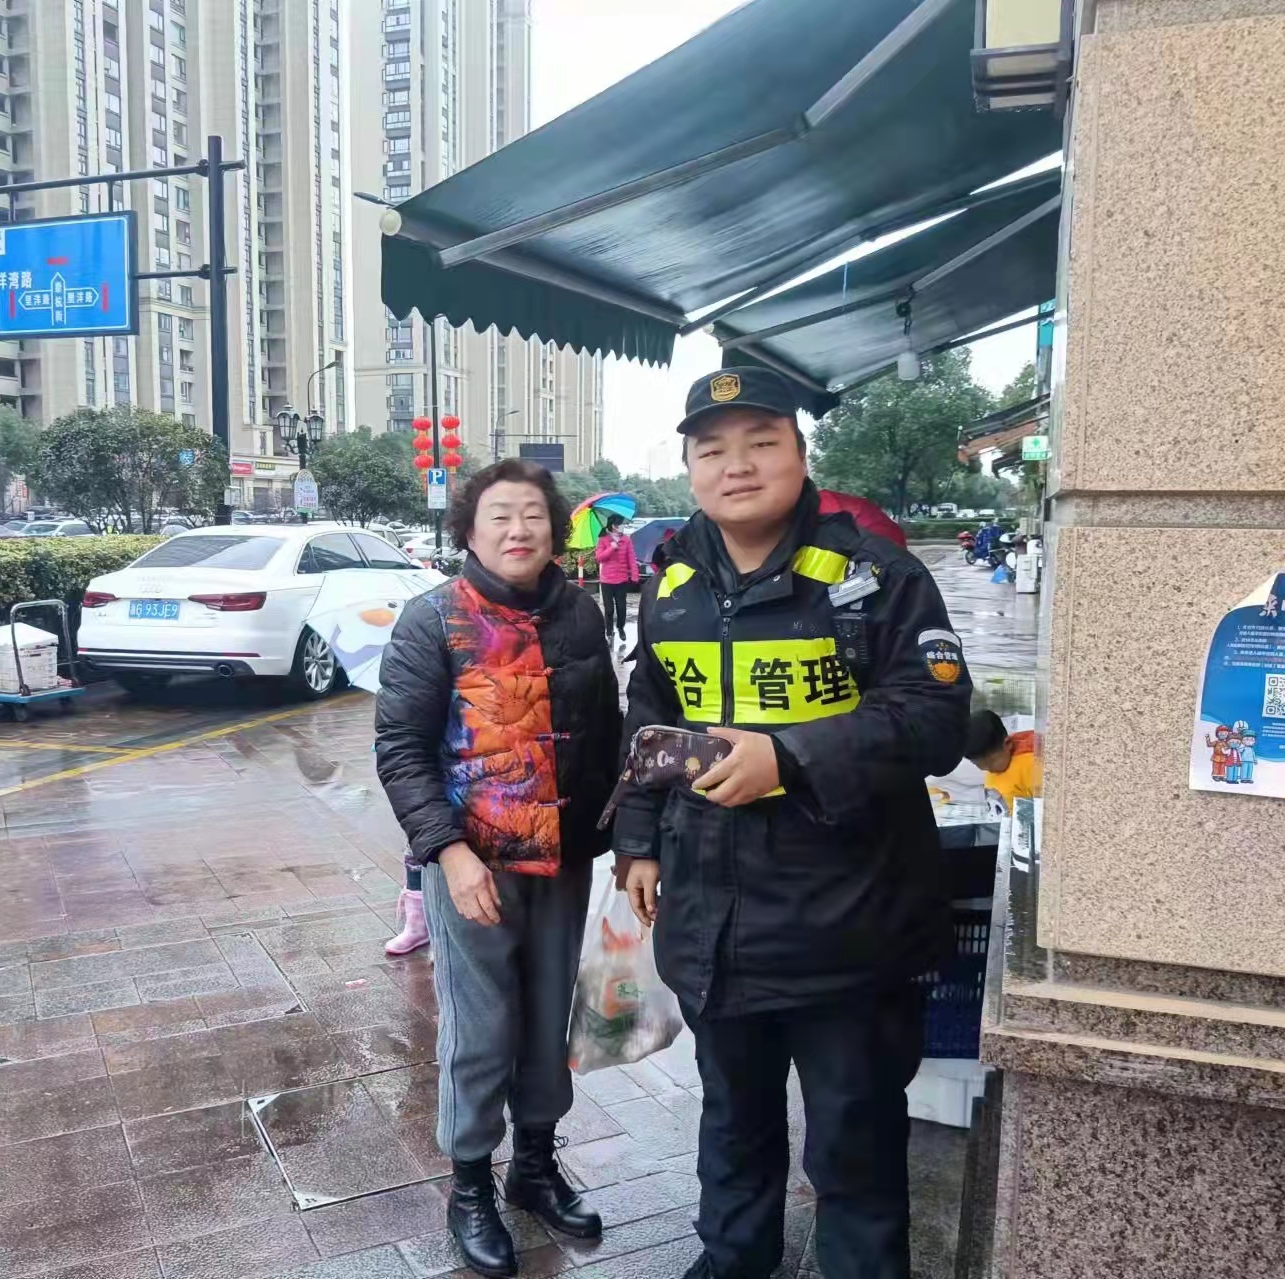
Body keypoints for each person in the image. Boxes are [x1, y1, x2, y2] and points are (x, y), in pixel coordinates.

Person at [611, 366, 971, 1279]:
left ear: (802, 454)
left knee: (853, 1139)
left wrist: (792, 756)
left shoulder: (875, 575)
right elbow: (651, 721)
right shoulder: (671, 580)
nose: (736, 466)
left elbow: (935, 719)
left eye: (761, 443)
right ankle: (732, 1259)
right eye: (712, 450)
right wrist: (639, 841)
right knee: (733, 1121)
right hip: (712, 921)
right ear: (690, 469)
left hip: (847, 925)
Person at [375, 458, 622, 1279]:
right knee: (480, 1028)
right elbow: (400, 749)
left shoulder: (580, 614)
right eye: (500, 516)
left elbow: (608, 732)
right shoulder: (434, 618)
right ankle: (472, 1185)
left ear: (555, 528)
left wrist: (624, 836)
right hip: (473, 863)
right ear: (469, 532)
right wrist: (447, 851)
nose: (519, 530)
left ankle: (536, 1166)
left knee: (550, 1017)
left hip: (564, 857)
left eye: (533, 515)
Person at [964, 710, 1041, 813]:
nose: (988, 769)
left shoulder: (1031, 765)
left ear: (1007, 744)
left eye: (992, 762)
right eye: (978, 764)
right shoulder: (998, 766)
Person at [594, 513, 640, 646]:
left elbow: (631, 558)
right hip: (607, 580)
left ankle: (620, 627)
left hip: (622, 579)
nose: (622, 526)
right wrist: (611, 548)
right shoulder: (603, 539)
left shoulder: (626, 540)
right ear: (613, 526)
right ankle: (609, 631)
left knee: (622, 607)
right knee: (609, 609)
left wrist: (635, 574)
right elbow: (599, 558)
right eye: (620, 524)